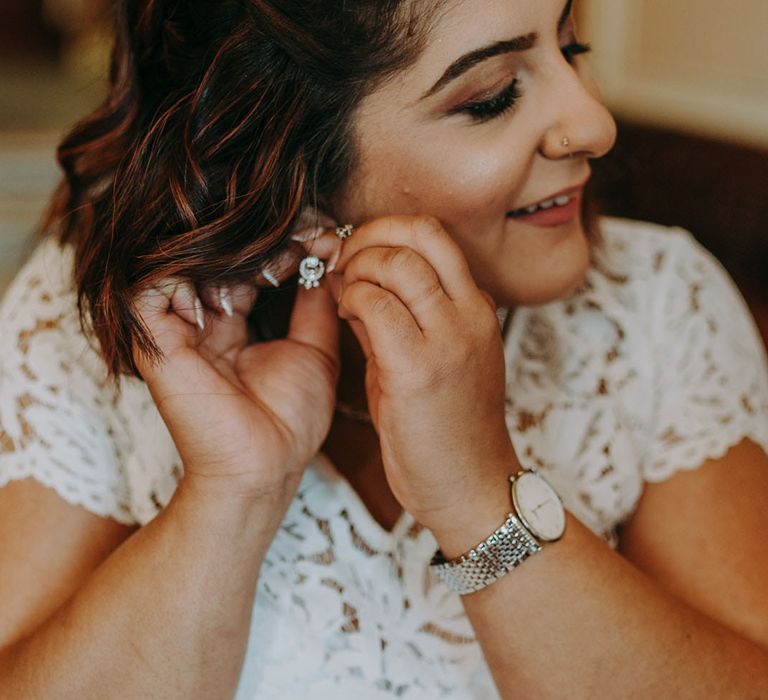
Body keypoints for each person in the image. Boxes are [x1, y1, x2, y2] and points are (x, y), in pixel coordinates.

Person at [1, 0, 767, 697]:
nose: (594, 122)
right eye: (493, 95)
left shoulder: (659, 298)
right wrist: (231, 492)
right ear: (292, 170)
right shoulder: (98, 320)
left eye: (572, 47)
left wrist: (476, 492)